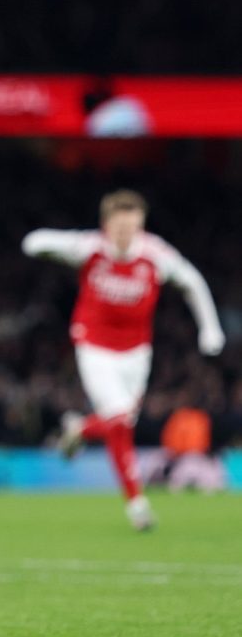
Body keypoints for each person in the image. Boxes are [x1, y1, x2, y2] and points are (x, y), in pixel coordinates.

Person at [22, 188, 225, 531]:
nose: (125, 234)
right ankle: (137, 505)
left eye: (132, 227)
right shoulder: (90, 247)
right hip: (94, 346)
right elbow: (34, 242)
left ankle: (79, 428)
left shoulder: (155, 253)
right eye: (119, 228)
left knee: (122, 422)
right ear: (106, 225)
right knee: (118, 421)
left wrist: (210, 328)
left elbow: (192, 282)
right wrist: (43, 243)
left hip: (136, 352)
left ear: (140, 225)